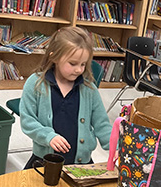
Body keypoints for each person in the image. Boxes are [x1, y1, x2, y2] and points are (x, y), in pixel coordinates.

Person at [20, 26, 111, 168]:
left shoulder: (89, 89)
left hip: (81, 165)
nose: (79, 69)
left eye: (83, 64)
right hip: (44, 161)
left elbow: (102, 124)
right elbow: (28, 121)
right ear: (54, 56)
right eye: (73, 63)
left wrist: (116, 148)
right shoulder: (35, 83)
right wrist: (48, 136)